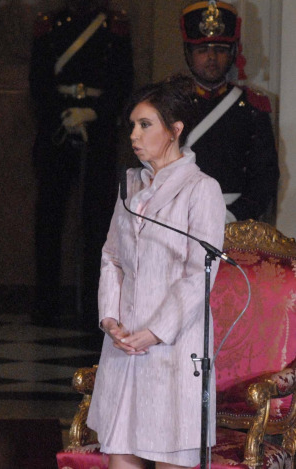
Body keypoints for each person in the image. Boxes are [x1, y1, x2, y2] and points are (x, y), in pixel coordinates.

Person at [85, 75, 226, 468]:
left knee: (170, 454)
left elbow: (199, 274)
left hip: (173, 350)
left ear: (175, 130)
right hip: (124, 346)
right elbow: (111, 256)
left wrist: (155, 332)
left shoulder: (202, 189)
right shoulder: (130, 186)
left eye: (145, 125)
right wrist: (110, 319)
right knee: (120, 454)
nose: (134, 134)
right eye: (132, 125)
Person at [29, 0, 133, 327]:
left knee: (98, 221)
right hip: (57, 129)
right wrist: (63, 115)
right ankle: (46, 303)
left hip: (99, 133)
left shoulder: (114, 26)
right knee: (49, 219)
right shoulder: (49, 24)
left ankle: (94, 306)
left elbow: (123, 83)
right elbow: (38, 82)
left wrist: (94, 113)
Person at [180, 1, 279, 223]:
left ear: (233, 52)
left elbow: (265, 177)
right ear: (189, 53)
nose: (211, 57)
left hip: (236, 223)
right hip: (181, 219)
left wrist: (232, 215)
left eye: (220, 50)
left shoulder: (253, 107)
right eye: (202, 50)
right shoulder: (169, 105)